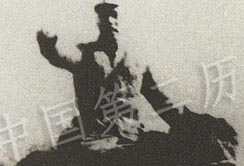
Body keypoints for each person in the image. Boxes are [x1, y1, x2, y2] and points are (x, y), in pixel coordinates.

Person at [36, 2, 181, 148]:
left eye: (114, 15)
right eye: (105, 17)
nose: (111, 21)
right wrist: (48, 44)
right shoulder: (85, 54)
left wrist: (185, 123)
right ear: (98, 22)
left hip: (132, 134)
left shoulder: (136, 61)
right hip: (96, 136)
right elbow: (58, 57)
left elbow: (160, 100)